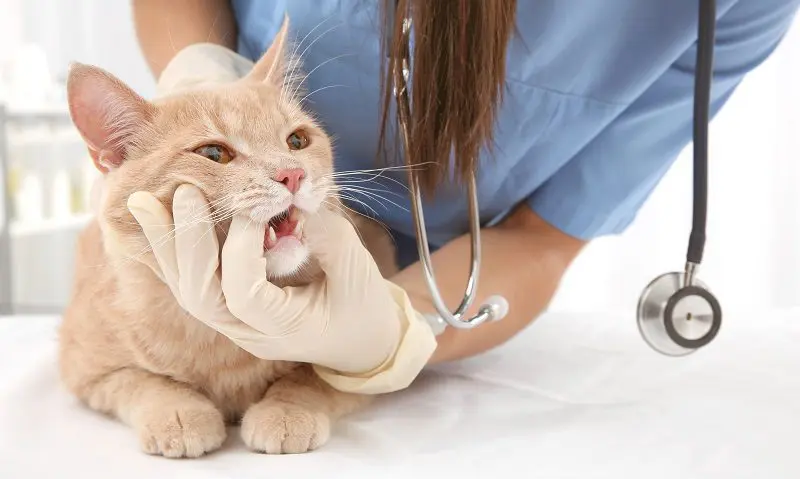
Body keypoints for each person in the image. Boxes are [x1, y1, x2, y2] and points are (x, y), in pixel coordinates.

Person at [128, 0, 799, 393]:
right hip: (228, 203)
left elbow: (544, 238)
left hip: (445, 271)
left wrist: (394, 329)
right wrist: (198, 75)